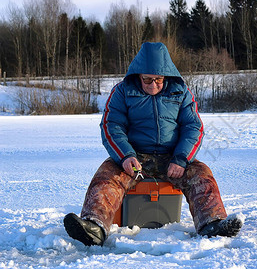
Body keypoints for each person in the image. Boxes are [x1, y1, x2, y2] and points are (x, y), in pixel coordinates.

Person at [64, 42, 242, 246]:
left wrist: (182, 158)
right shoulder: (122, 92)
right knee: (106, 175)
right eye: (146, 79)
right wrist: (125, 156)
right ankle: (94, 226)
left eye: (158, 79)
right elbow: (111, 126)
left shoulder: (181, 92)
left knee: (201, 173)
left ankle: (212, 224)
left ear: (166, 76)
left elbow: (193, 127)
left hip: (173, 158)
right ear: (138, 75)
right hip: (134, 157)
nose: (152, 85)